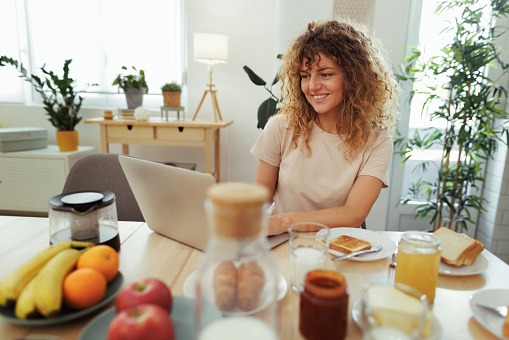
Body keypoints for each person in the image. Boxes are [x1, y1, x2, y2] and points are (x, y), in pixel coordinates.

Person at [251, 20, 400, 236]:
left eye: (325, 74)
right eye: (305, 76)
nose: (312, 86)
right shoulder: (280, 127)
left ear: (353, 78)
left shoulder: (377, 142)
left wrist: (284, 221)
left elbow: (354, 214)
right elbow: (259, 199)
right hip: (283, 242)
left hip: (339, 247)